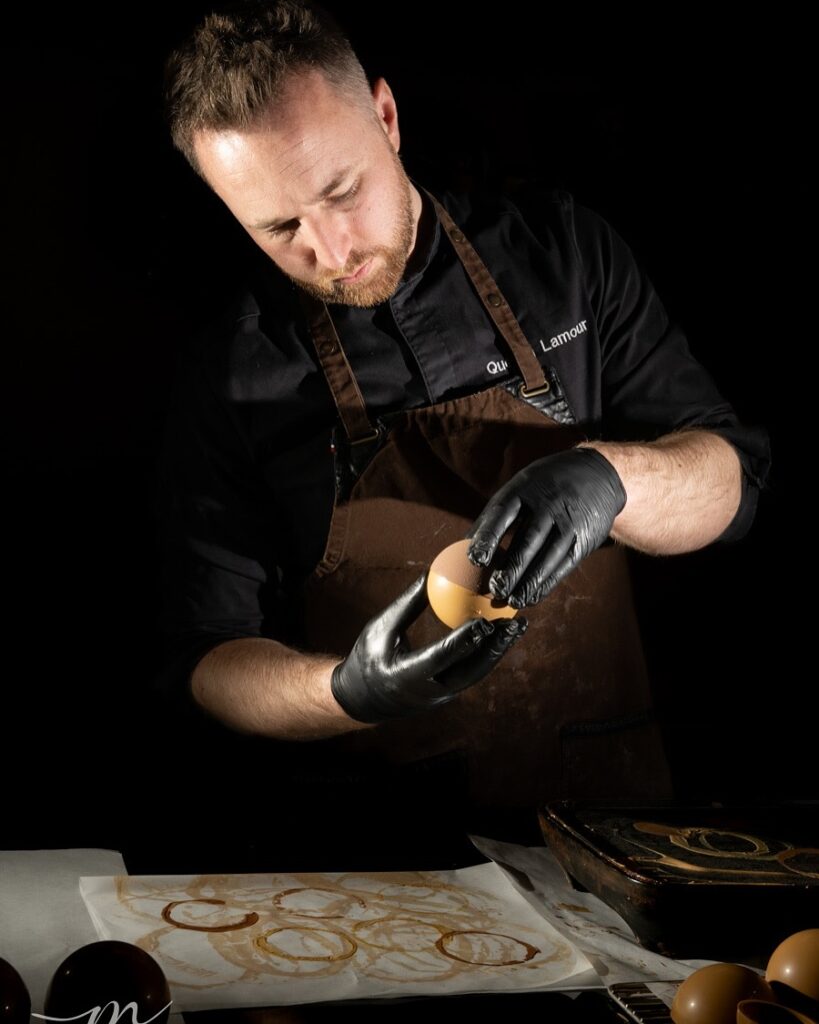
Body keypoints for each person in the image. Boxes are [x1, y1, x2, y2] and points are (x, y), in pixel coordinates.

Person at [157, 0, 770, 858]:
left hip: (606, 828)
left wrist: (613, 479)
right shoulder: (230, 377)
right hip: (385, 854)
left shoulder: (564, 255)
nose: (334, 252)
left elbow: (733, 480)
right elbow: (208, 658)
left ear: (385, 115)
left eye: (342, 191)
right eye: (280, 227)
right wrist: (344, 690)